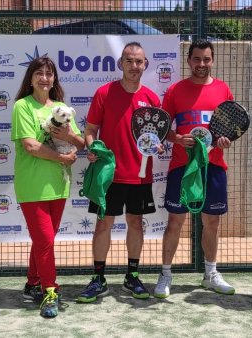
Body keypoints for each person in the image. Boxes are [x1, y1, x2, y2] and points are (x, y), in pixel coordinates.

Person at [77, 42, 161, 303]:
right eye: (129, 61)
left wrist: (157, 145)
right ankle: (99, 277)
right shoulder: (104, 93)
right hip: (108, 175)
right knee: (104, 224)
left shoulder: (152, 99)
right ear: (120, 64)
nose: (134, 66)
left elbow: (155, 137)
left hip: (139, 174)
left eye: (139, 61)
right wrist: (92, 149)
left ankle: (132, 275)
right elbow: (90, 130)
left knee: (136, 223)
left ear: (145, 64)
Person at [154, 39, 236, 299]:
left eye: (207, 59)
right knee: (175, 222)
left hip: (213, 166)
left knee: (211, 222)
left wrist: (226, 140)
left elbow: (231, 129)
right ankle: (166, 275)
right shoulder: (176, 90)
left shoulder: (224, 90)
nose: (202, 64)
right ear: (189, 60)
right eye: (197, 59)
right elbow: (162, 129)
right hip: (181, 166)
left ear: (212, 60)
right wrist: (177, 139)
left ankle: (210, 274)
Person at [11, 57, 84, 318]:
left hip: (58, 185)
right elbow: (30, 145)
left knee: (45, 242)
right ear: (30, 78)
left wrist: (68, 138)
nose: (45, 78)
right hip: (32, 187)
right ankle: (49, 291)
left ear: (54, 79)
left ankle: (32, 282)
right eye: (39, 73)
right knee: (45, 241)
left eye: (49, 74)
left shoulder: (62, 108)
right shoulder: (22, 106)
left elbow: (80, 142)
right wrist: (62, 157)